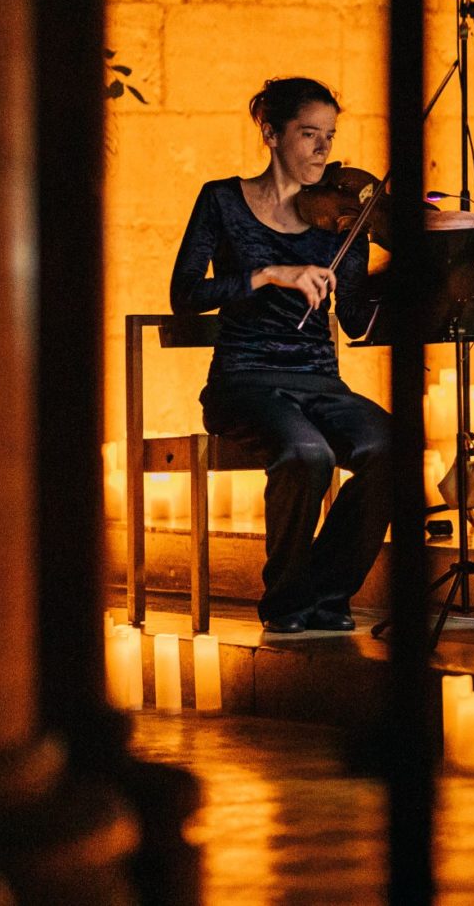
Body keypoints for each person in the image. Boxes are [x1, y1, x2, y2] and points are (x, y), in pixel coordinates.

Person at [169, 77, 391, 633]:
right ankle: (287, 601)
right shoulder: (221, 200)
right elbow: (186, 295)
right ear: (271, 133)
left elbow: (359, 321)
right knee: (305, 453)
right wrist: (268, 274)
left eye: (330, 135)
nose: (323, 149)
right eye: (309, 133)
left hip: (320, 383)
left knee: (393, 448)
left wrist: (411, 271)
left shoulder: (343, 218)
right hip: (244, 381)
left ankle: (327, 591)